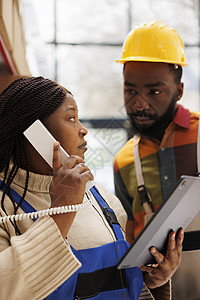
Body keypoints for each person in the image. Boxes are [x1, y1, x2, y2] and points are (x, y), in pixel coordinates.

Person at [0, 76, 183, 300]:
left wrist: (153, 281)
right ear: (34, 133)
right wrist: (63, 208)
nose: (83, 129)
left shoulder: (101, 197)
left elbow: (119, 283)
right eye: (71, 118)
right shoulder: (4, 205)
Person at [114, 20, 200, 299]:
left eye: (154, 91)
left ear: (179, 91)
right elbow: (129, 242)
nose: (139, 103)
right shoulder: (123, 161)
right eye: (131, 91)